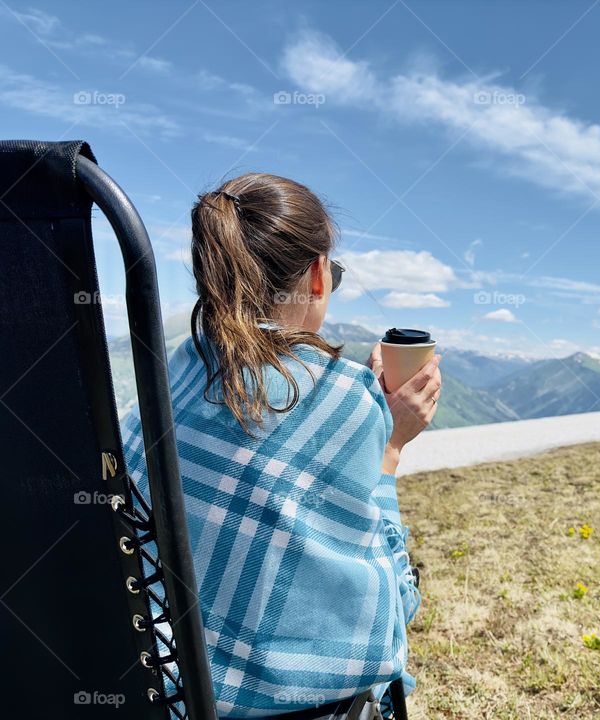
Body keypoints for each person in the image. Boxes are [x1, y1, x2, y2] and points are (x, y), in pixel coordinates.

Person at [120, 172, 441, 718]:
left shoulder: (173, 369)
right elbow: (389, 610)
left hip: (158, 690)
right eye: (333, 271)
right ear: (317, 276)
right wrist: (388, 446)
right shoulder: (346, 397)